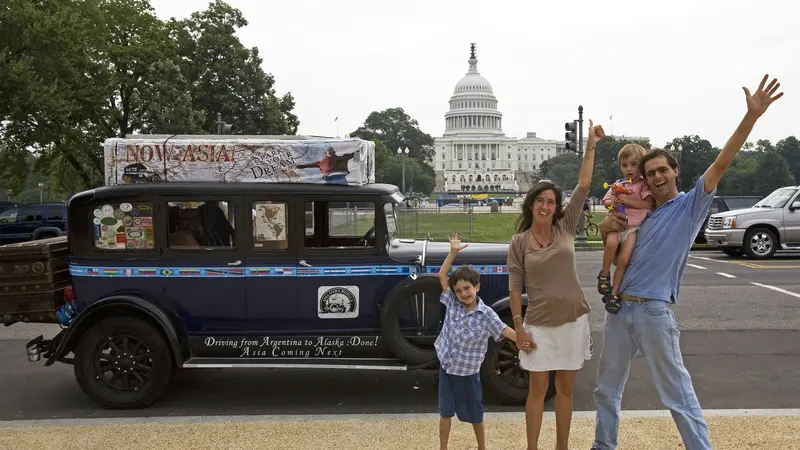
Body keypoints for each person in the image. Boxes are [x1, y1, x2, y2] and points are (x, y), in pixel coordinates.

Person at [591, 74, 783, 450]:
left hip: (653, 311)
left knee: (676, 394)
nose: (658, 176)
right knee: (605, 390)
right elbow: (617, 244)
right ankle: (603, 445)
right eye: (650, 173)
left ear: (676, 172)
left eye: (663, 169)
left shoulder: (689, 207)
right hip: (618, 310)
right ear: (644, 180)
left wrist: (751, 118)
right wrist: (604, 230)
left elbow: (722, 161)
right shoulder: (643, 214)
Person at [506, 121, 605, 450]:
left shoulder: (566, 226)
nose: (546, 207)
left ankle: (562, 446)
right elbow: (514, 289)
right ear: (532, 204)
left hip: (572, 320)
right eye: (541, 201)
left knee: (565, 389)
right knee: (537, 390)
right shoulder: (519, 242)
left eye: (551, 202)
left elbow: (584, 183)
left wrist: (590, 145)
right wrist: (518, 328)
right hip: (538, 326)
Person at [435, 232, 519, 450]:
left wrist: (522, 339)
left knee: (475, 413)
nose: (464, 293)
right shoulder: (453, 304)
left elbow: (503, 329)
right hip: (447, 367)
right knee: (445, 411)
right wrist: (453, 252)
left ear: (477, 287)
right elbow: (442, 276)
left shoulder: (487, 314)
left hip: (468, 373)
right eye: (459, 290)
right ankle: (443, 447)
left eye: (467, 288)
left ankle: (482, 446)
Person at [596, 143, 655, 313]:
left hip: (632, 228)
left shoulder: (643, 185)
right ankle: (604, 274)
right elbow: (606, 201)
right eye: (624, 165)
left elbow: (647, 204)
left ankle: (614, 294)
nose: (629, 169)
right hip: (616, 223)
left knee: (624, 260)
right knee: (611, 244)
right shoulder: (618, 184)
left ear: (641, 166)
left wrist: (629, 201)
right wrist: (611, 203)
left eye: (634, 164)